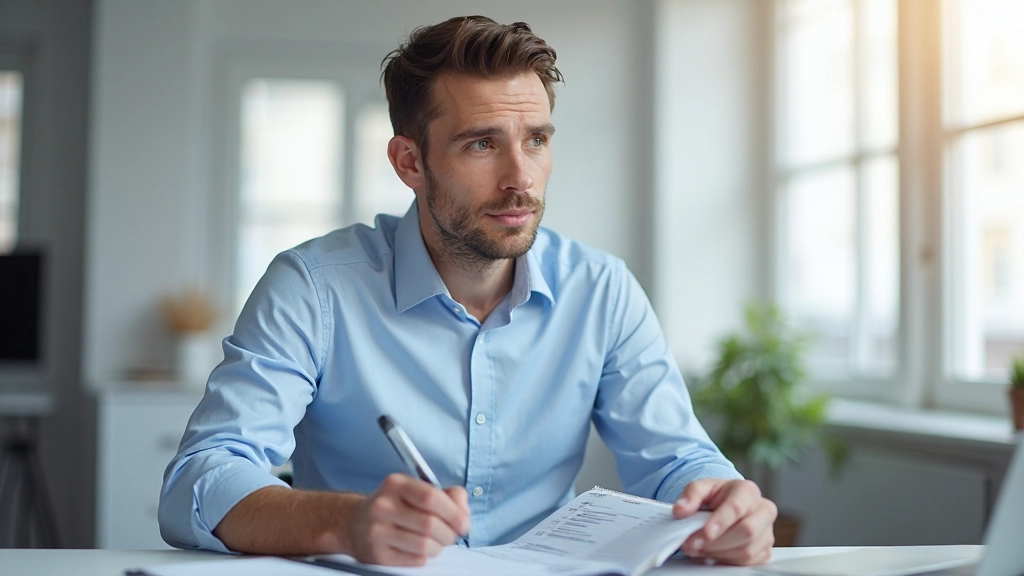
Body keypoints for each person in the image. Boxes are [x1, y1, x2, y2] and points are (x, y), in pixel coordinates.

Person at [158, 15, 777, 567]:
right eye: (482, 143)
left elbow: (674, 462)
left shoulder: (602, 290)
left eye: (536, 139)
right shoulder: (312, 289)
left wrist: (724, 501)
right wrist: (345, 523)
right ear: (409, 162)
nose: (520, 179)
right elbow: (201, 477)